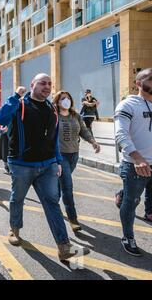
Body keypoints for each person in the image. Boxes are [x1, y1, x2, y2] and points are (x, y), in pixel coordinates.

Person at [0, 75, 90, 261]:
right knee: (18, 198)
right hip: (22, 164)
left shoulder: (50, 108)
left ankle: (64, 247)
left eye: (49, 84)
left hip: (47, 165)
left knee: (52, 203)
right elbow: (0, 119)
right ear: (32, 85)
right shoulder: (20, 104)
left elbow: (53, 138)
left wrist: (57, 160)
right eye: (42, 83)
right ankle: (14, 229)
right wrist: (14, 97)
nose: (46, 87)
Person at [115, 68, 152, 256]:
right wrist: (137, 158)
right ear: (139, 83)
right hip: (135, 164)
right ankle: (127, 237)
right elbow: (121, 134)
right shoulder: (127, 105)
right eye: (151, 79)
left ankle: (124, 192)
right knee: (132, 201)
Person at [53, 91, 101, 232]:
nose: (66, 100)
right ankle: (73, 219)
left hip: (74, 155)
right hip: (60, 156)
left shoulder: (75, 115)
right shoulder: (53, 117)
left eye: (68, 98)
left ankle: (52, 202)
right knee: (67, 187)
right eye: (63, 98)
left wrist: (93, 142)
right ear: (57, 101)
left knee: (59, 183)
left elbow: (84, 131)